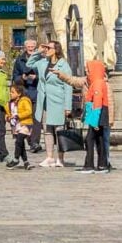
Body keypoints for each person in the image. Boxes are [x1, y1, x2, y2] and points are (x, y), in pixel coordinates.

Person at [37, 40, 74, 168]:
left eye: (49, 47)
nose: (46, 49)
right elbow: (30, 64)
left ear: (56, 50)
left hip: (58, 102)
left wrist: (68, 107)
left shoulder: (64, 65)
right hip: (46, 102)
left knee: (59, 131)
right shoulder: (43, 63)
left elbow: (68, 87)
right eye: (46, 47)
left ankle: (60, 158)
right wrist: (39, 51)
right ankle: (49, 157)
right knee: (47, 130)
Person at [80, 59, 114, 173]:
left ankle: (89, 164)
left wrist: (94, 121)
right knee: (99, 139)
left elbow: (98, 102)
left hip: (98, 113)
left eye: (88, 70)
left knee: (89, 139)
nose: (87, 72)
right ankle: (102, 164)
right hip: (99, 112)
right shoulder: (98, 82)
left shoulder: (98, 83)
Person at [15, 39, 45, 152]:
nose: (31, 48)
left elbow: (44, 75)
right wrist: (22, 78)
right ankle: (30, 140)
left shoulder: (41, 59)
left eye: (33, 46)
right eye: (29, 46)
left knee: (37, 119)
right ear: (25, 47)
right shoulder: (20, 60)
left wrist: (36, 77)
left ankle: (35, 142)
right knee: (26, 118)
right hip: (25, 93)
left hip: (37, 92)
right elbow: (15, 77)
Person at [5, 77, 33, 170]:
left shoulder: (24, 100)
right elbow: (8, 113)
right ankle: (26, 162)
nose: (10, 93)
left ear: (19, 93)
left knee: (19, 141)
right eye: (10, 92)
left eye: (13, 92)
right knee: (21, 144)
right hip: (16, 125)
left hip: (25, 124)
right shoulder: (10, 103)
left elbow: (28, 111)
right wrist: (8, 117)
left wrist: (18, 115)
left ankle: (16, 159)